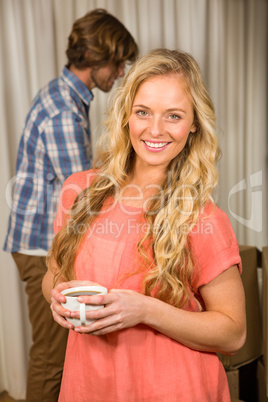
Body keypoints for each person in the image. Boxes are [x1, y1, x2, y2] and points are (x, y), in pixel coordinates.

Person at [42, 48, 246, 402]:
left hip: (173, 389)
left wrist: (146, 310)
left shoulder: (203, 217)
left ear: (194, 122)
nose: (155, 129)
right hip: (90, 385)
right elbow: (54, 275)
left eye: (173, 116)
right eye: (143, 112)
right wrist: (56, 298)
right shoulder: (79, 191)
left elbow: (233, 333)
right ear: (126, 116)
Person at [3, 8, 138, 402]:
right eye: (118, 63)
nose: (120, 74)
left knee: (54, 353)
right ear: (99, 58)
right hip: (39, 249)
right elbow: (84, 197)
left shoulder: (62, 94)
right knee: (52, 356)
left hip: (35, 240)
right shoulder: (64, 111)